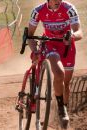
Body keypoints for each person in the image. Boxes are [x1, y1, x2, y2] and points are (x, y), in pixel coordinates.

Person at [28, 0, 83, 128]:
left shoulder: (69, 8)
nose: (57, 0)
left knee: (66, 83)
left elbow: (79, 32)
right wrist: (35, 50)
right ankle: (61, 109)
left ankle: (61, 110)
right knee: (59, 74)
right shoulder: (38, 11)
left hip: (67, 46)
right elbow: (29, 35)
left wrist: (72, 36)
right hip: (50, 44)